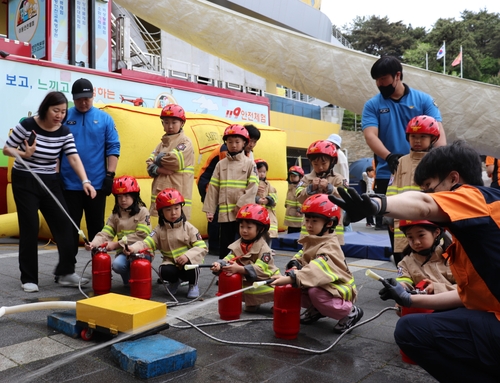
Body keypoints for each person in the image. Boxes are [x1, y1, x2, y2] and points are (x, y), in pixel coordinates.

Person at [330, 141, 500, 381]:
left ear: (453, 179)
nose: (427, 195)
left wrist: (377, 204)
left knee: (411, 331)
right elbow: (468, 297)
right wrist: (408, 298)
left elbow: (425, 206)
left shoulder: (474, 198)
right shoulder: (477, 231)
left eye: (429, 187)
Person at [3, 91, 96, 292]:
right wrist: (24, 153)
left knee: (64, 224)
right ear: (46, 108)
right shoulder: (28, 126)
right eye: (56, 110)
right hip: (25, 180)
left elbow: (73, 157)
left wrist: (85, 181)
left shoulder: (63, 132)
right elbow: (7, 149)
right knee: (30, 226)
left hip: (50, 181)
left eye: (63, 112)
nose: (60, 115)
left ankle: (65, 272)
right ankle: (29, 278)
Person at [362, 56, 445, 230]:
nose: (379, 84)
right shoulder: (372, 105)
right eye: (377, 80)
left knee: (427, 228)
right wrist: (389, 157)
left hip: (424, 173)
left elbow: (438, 134)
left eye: (383, 79)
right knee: (395, 229)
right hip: (388, 173)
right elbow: (370, 136)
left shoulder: (424, 100)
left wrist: (437, 163)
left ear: (397, 75)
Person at [271, 194, 363, 333]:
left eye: (314, 221)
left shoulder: (330, 245)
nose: (308, 225)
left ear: (329, 223)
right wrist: (294, 265)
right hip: (324, 284)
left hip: (339, 289)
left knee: (314, 291)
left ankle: (350, 312)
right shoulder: (314, 239)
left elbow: (317, 269)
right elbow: (301, 256)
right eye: (307, 220)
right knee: (297, 287)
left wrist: (292, 277)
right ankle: (317, 309)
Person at [60, 78, 120, 257]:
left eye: (87, 98)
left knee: (97, 228)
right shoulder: (65, 117)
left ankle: (99, 268)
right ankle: (67, 269)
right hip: (68, 183)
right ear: (73, 98)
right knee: (69, 227)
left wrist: (110, 175)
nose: (83, 102)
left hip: (96, 184)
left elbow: (113, 147)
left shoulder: (104, 119)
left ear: (93, 96)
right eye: (79, 99)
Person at [124, 188, 207, 299]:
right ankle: (175, 282)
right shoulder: (159, 230)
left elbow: (202, 247)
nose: (173, 213)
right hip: (171, 263)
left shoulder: (189, 228)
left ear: (181, 208)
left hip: (188, 262)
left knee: (192, 267)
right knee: (164, 271)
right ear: (161, 213)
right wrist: (132, 248)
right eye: (168, 210)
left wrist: (187, 256)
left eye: (176, 208)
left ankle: (193, 284)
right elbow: (146, 243)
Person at [197, 124, 261, 254]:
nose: (233, 145)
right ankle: (223, 269)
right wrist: (210, 210)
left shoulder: (250, 164)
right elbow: (213, 187)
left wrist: (241, 206)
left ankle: (241, 269)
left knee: (242, 244)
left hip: (243, 214)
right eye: (230, 142)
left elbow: (252, 187)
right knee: (225, 245)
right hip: (225, 214)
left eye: (237, 142)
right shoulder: (221, 164)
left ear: (244, 143)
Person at [386, 115, 440, 265]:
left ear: (433, 139)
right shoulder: (401, 162)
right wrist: (388, 214)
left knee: (430, 256)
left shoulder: (437, 162)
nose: (417, 140)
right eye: (413, 136)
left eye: (422, 136)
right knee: (403, 257)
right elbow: (392, 188)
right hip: (402, 217)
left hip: (428, 216)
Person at [211, 204, 281, 312]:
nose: (244, 230)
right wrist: (220, 264)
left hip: (267, 280)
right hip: (248, 280)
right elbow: (230, 257)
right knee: (238, 286)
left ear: (261, 229)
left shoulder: (264, 248)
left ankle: (279, 300)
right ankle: (253, 302)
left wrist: (240, 269)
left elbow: (260, 268)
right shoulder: (237, 245)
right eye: (241, 226)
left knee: (279, 291)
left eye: (249, 227)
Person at [84, 175, 151, 285]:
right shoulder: (116, 214)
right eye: (119, 196)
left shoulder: (143, 212)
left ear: (134, 196)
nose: (123, 200)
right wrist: (93, 243)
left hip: (142, 252)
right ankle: (131, 282)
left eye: (126, 196)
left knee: (137, 271)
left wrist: (116, 245)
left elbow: (142, 235)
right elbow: (105, 233)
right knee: (118, 266)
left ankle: (137, 280)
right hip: (125, 252)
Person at [394, 219, 455, 315]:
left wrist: (436, 287)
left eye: (421, 235)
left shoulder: (453, 257)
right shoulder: (406, 262)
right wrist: (401, 288)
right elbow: (404, 279)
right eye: (410, 237)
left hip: (456, 308)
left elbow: (469, 290)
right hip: (425, 311)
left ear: (436, 232)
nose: (416, 242)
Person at [146, 104, 194, 219]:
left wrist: (158, 159)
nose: (170, 126)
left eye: (174, 122)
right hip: (162, 198)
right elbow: (148, 164)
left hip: (178, 199)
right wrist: (158, 169)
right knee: (162, 232)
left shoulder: (185, 142)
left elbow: (174, 161)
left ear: (182, 123)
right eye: (166, 122)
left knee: (178, 232)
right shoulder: (161, 144)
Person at [296, 139, 347, 244]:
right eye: (315, 164)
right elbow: (299, 197)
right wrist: (310, 188)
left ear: (332, 162)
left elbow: (346, 196)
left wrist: (331, 188)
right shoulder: (306, 179)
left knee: (331, 254)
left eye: (324, 163)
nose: (320, 167)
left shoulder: (338, 179)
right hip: (310, 227)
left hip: (331, 229)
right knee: (308, 253)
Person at [254, 158, 278, 246]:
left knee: (268, 233)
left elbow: (274, 194)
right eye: (259, 171)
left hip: (267, 213)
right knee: (258, 233)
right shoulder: (252, 183)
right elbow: (248, 195)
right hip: (256, 213)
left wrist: (269, 199)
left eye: (264, 172)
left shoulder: (268, 184)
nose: (262, 174)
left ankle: (268, 248)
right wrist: (257, 199)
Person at [284, 165, 304, 234]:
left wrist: (299, 210)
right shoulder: (291, 187)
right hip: (290, 218)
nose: (292, 178)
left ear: (300, 177)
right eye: (291, 176)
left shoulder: (300, 188)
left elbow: (301, 200)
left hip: (297, 219)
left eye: (294, 176)